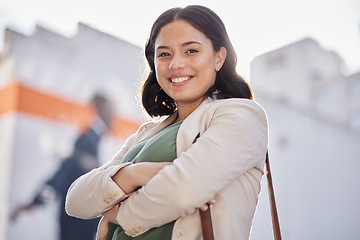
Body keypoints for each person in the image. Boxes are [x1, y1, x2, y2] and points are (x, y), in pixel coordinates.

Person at [66, 5, 268, 240]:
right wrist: (134, 175)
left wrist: (118, 213)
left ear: (219, 57)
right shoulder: (145, 133)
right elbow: (76, 201)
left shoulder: (242, 115)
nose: (175, 64)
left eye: (191, 51)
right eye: (164, 54)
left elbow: (182, 191)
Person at [11, 93, 115, 240]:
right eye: (112, 113)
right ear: (103, 112)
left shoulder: (94, 140)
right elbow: (63, 174)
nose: (114, 119)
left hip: (80, 223)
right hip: (75, 225)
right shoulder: (87, 141)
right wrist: (35, 202)